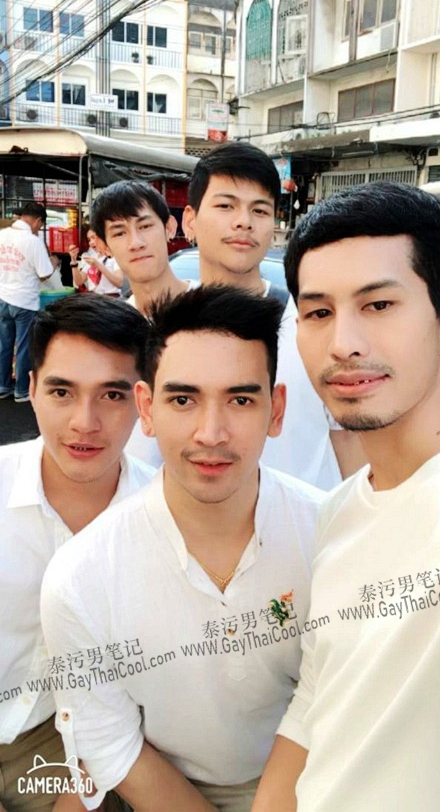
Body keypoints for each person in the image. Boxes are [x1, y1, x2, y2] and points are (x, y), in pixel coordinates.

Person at [252, 181, 440, 812]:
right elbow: (319, 700)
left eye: (379, 304)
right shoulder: (339, 510)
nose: (343, 343)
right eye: (318, 313)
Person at [40, 285, 326, 812]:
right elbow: (109, 741)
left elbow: (327, 696)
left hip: (315, 778)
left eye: (240, 400)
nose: (211, 433)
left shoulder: (331, 535)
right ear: (147, 408)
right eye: (183, 400)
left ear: (276, 410)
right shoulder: (81, 577)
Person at [0, 294, 155, 811]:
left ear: (144, 402)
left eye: (111, 395)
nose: (84, 422)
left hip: (70, 747)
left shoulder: (165, 523)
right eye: (62, 391)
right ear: (30, 388)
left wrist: (81, 793)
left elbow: (143, 694)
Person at [182, 141, 365, 487]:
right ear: (190, 219)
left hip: (312, 519)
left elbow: (349, 440)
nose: (244, 222)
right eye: (225, 206)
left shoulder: (318, 327)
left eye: (260, 210)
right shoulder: (168, 331)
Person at [91, 182, 190, 314]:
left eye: (145, 226)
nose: (136, 243)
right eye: (119, 233)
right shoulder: (116, 323)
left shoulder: (211, 306)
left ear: (169, 228)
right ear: (104, 246)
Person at [0, 201, 54, 402]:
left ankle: (3, 385)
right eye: (40, 225)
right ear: (38, 221)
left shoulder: (2, 235)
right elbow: (45, 273)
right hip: (24, 301)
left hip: (2, 298)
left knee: (4, 344)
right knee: (24, 346)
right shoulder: (33, 241)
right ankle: (21, 390)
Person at [68, 230, 123, 297]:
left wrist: (98, 265)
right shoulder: (92, 258)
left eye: (93, 238)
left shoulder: (114, 257)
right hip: (95, 298)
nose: (91, 243)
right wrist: (73, 261)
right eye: (89, 240)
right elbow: (79, 282)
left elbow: (119, 283)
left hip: (110, 299)